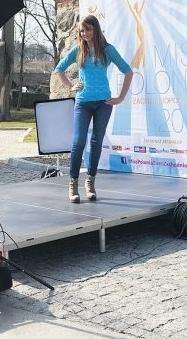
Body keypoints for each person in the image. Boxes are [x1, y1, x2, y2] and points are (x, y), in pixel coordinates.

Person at [54, 15, 133, 203]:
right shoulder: (78, 50)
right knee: (78, 142)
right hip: (83, 103)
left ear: (95, 29)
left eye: (88, 29)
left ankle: (90, 180)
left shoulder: (107, 50)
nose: (85, 33)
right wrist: (69, 86)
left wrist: (121, 97)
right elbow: (59, 69)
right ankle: (73, 183)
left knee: (96, 142)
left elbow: (128, 71)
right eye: (82, 30)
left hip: (104, 104)